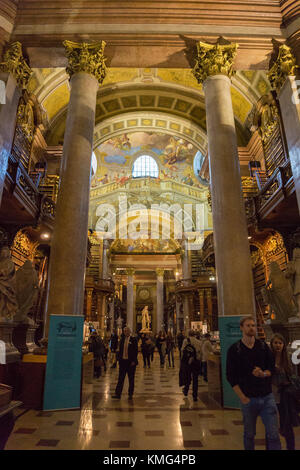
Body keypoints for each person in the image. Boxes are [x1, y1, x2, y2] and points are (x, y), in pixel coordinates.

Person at [226, 316, 281, 451]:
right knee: (249, 435)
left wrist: (263, 374)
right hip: (248, 399)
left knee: (273, 434)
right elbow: (230, 376)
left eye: (253, 325)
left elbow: (272, 369)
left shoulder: (263, 347)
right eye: (248, 325)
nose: (252, 328)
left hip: (267, 397)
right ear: (241, 328)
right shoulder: (234, 350)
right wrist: (242, 397)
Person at [270, 333, 300, 450]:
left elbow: (292, 376)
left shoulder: (287, 359)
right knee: (271, 425)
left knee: (287, 425)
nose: (278, 345)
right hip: (271, 394)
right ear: (272, 344)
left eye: (280, 343)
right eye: (275, 343)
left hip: (284, 396)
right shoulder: (268, 358)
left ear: (283, 345)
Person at [112, 326, 138, 399]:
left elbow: (136, 351)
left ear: (129, 332)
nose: (125, 332)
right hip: (123, 362)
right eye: (124, 331)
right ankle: (118, 394)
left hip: (131, 363)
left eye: (127, 331)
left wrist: (134, 361)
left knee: (131, 379)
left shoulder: (133, 340)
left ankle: (130, 394)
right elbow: (120, 350)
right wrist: (119, 360)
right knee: (120, 379)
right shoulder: (122, 340)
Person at [180, 330, 202, 401]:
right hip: (196, 362)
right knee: (195, 379)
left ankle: (186, 390)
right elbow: (200, 353)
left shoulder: (186, 341)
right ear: (195, 334)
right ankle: (195, 396)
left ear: (188, 334)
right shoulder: (199, 342)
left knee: (187, 376)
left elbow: (183, 350)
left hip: (188, 362)